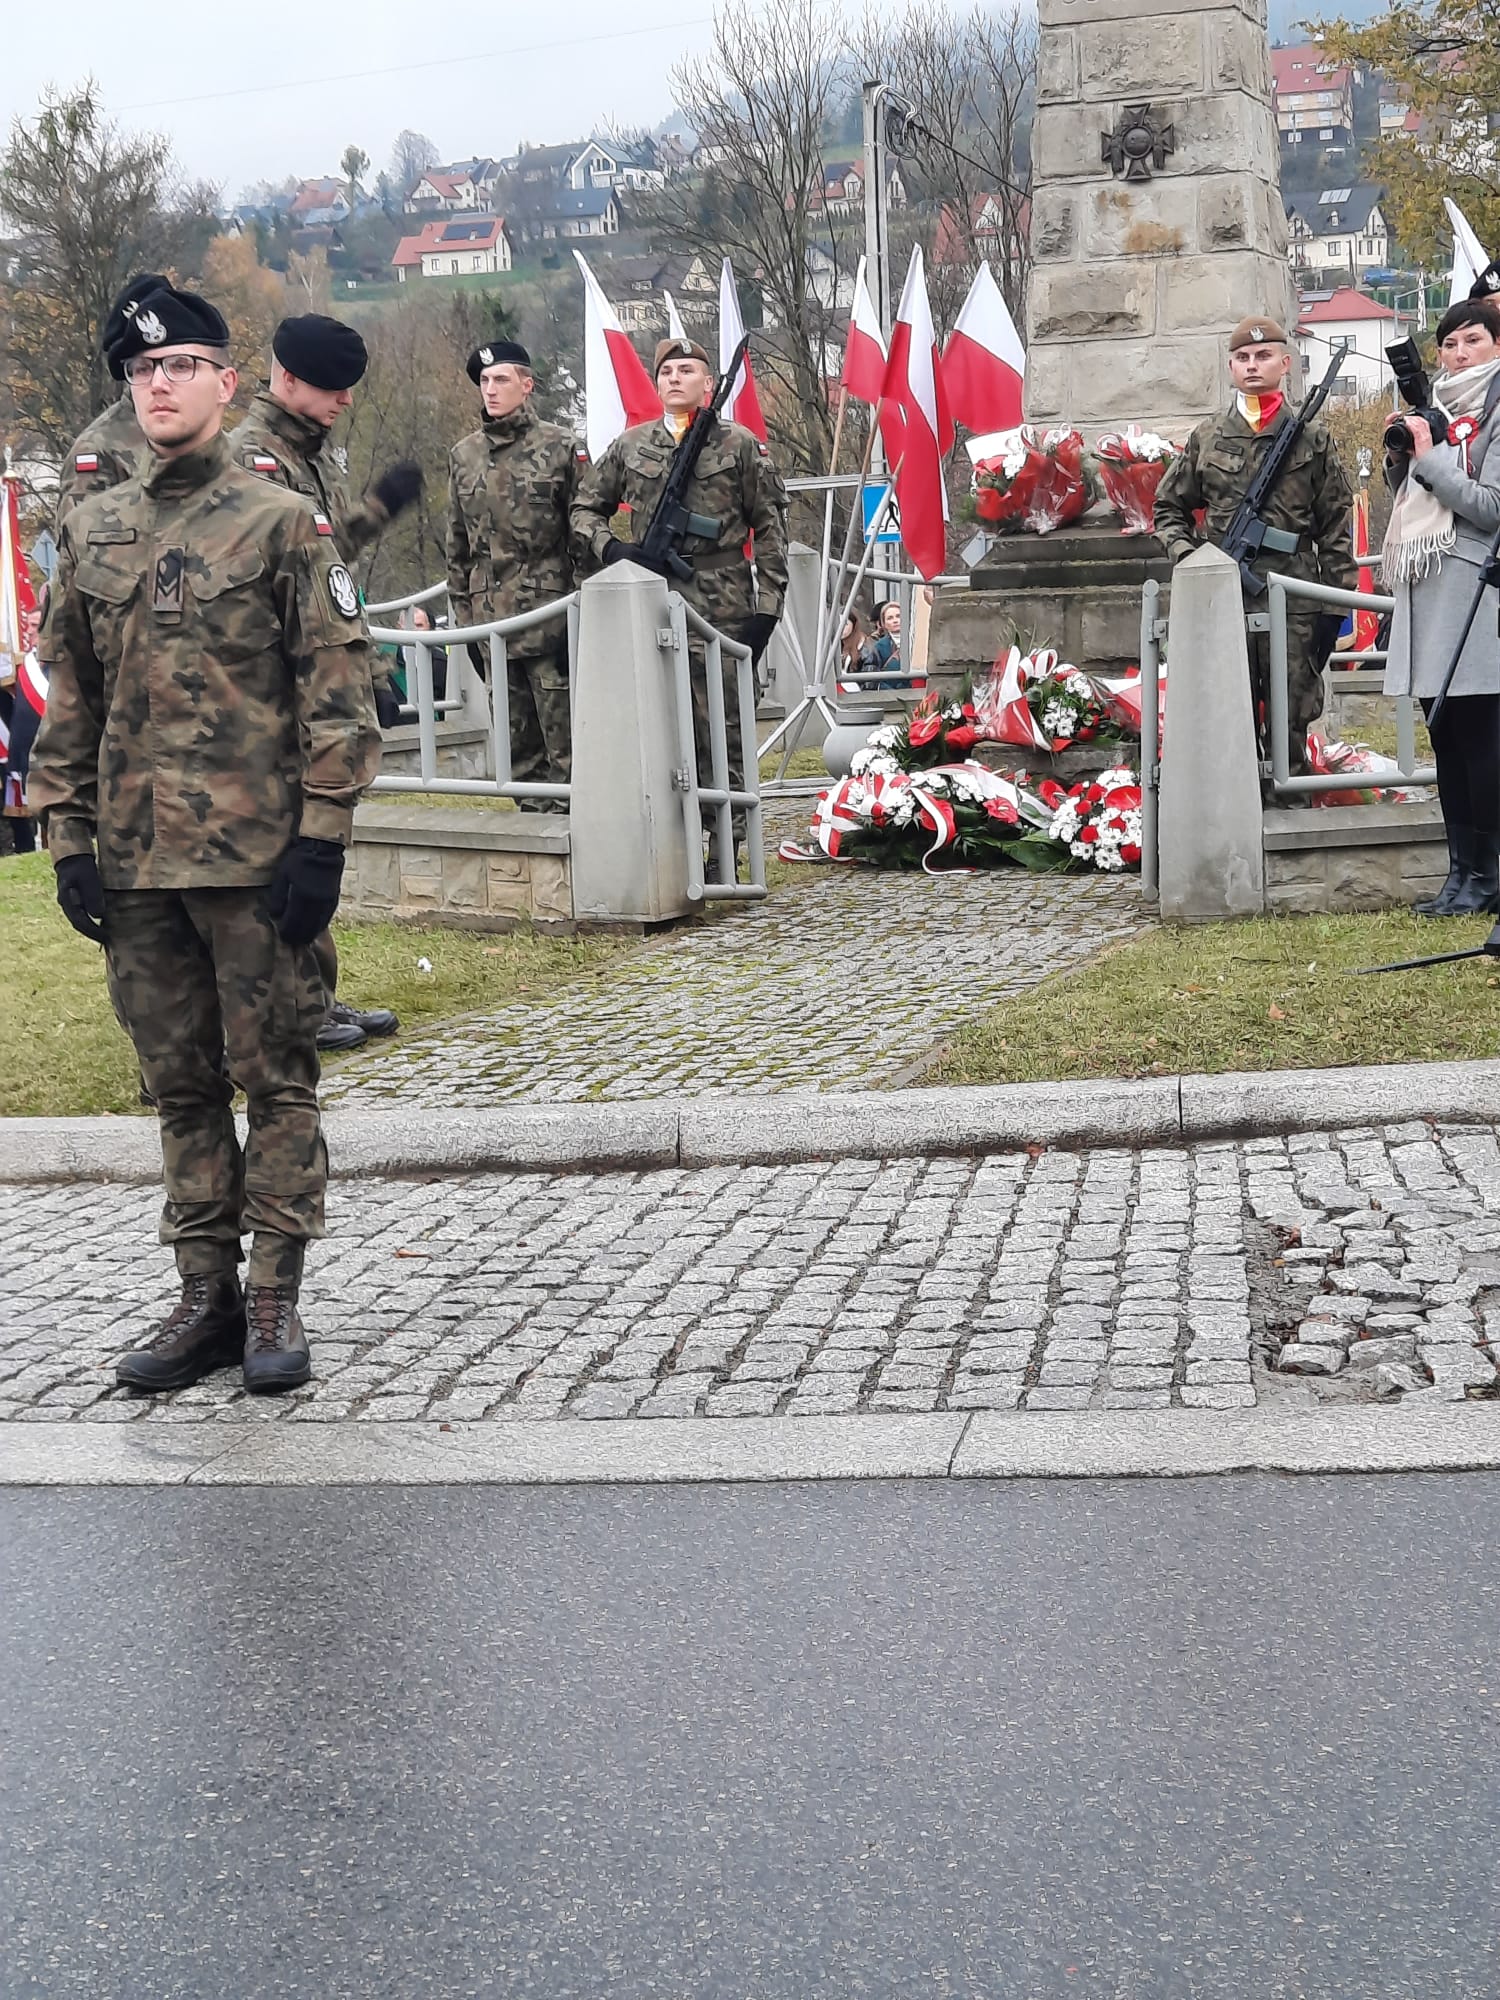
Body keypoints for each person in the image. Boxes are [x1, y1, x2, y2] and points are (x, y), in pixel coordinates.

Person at [30, 280, 382, 1395]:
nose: (160, 385)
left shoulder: (281, 522)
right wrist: (66, 836)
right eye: (143, 371)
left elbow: (339, 695)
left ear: (227, 383)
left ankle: (273, 1292)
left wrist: (323, 839)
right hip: (136, 866)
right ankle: (205, 1295)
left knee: (275, 1078)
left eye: (181, 365)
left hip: (257, 863)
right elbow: (71, 700)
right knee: (178, 1087)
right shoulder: (93, 529)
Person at [231, 313, 414, 1051]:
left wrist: (376, 510)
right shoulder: (253, 460)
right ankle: (294, 1008)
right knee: (285, 851)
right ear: (288, 378)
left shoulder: (303, 456)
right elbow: (286, 585)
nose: (345, 400)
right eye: (332, 387)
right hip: (274, 690)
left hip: (315, 681)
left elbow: (327, 558)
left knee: (309, 845)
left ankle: (315, 998)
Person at [571, 334, 787, 862]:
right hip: (650, 600)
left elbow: (770, 527)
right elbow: (583, 509)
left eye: (687, 371)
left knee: (723, 725)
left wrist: (768, 608)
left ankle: (726, 842)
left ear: (708, 383)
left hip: (722, 602)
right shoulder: (631, 446)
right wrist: (613, 548)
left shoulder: (738, 445)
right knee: (657, 723)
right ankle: (665, 840)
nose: (675, 378)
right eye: (666, 372)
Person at [1153, 316, 1355, 774]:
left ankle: (1291, 798)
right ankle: (1238, 803)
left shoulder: (1312, 437)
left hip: (1295, 597)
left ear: (1285, 364)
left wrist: (1336, 605)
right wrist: (1192, 560)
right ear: (1230, 367)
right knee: (1229, 710)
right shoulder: (1208, 436)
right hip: (1224, 597)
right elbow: (1168, 508)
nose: (1252, 365)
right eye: (1242, 357)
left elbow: (1334, 527)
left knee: (1292, 711)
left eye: (1263, 356)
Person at [1381, 295, 1500, 915]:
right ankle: (1461, 872)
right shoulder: (1438, 410)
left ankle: (1489, 875)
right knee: (1445, 737)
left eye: (1473, 340)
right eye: (1450, 344)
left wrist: (1430, 459)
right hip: (1427, 591)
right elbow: (1411, 496)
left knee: (1481, 741)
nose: (1459, 353)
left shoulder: (1496, 411)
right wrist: (1402, 458)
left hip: (1477, 595)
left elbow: (1491, 507)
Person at [446, 338, 581, 809]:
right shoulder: (464, 455)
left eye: (501, 379)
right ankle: (531, 828)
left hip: (551, 619)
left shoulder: (561, 447)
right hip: (491, 622)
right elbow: (458, 546)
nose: (490, 389)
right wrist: (465, 621)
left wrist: (582, 611)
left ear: (527, 385)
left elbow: (582, 535)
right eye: (484, 380)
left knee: (566, 743)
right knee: (516, 748)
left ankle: (575, 830)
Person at [52, 273, 161, 531]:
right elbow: (81, 547)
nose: (161, 379)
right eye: (145, 366)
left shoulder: (208, 438)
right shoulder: (99, 450)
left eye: (180, 364)